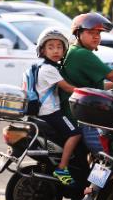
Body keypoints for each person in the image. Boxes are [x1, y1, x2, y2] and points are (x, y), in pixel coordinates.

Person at [59, 12, 113, 200]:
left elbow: (97, 83)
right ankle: (94, 199)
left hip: (79, 112)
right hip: (82, 117)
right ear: (78, 33)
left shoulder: (76, 52)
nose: (96, 36)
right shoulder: (82, 54)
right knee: (112, 157)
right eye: (91, 32)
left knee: (102, 158)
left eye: (98, 33)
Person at [33, 28, 81, 185]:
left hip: (45, 111)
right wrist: (88, 91)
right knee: (75, 133)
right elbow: (67, 88)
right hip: (50, 112)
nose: (55, 51)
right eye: (51, 47)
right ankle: (62, 167)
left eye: (59, 47)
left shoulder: (46, 67)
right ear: (42, 50)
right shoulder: (48, 69)